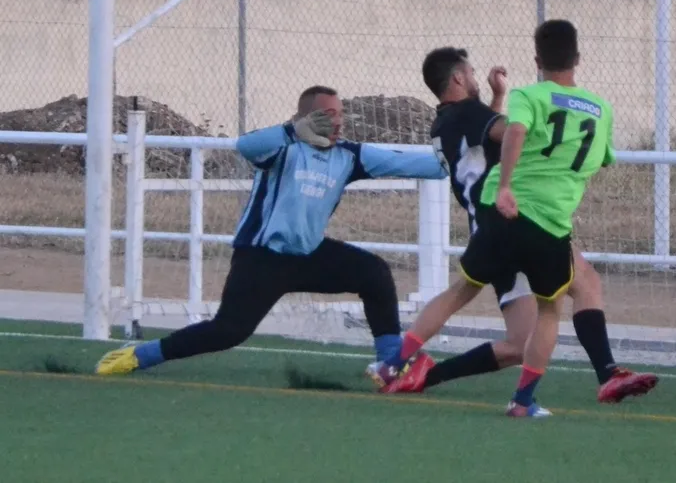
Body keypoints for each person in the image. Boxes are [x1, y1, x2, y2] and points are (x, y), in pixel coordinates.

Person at [368, 46, 657, 408]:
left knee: (517, 338)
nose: (475, 78)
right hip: (515, 214)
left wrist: (499, 97)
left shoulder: (444, 123)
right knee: (582, 286)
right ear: (458, 78)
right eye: (471, 73)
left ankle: (413, 370)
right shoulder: (470, 113)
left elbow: (483, 139)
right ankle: (605, 373)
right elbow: (513, 132)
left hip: (488, 226)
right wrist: (560, 118)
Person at [95, 86, 447, 375]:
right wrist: (292, 131)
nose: (339, 121)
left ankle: (390, 365)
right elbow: (245, 145)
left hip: (309, 255)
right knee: (228, 332)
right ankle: (141, 355)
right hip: (262, 258)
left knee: (375, 274)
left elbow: (412, 163)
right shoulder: (283, 148)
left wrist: (457, 158)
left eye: (341, 113)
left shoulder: (349, 156)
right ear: (306, 117)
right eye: (328, 114)